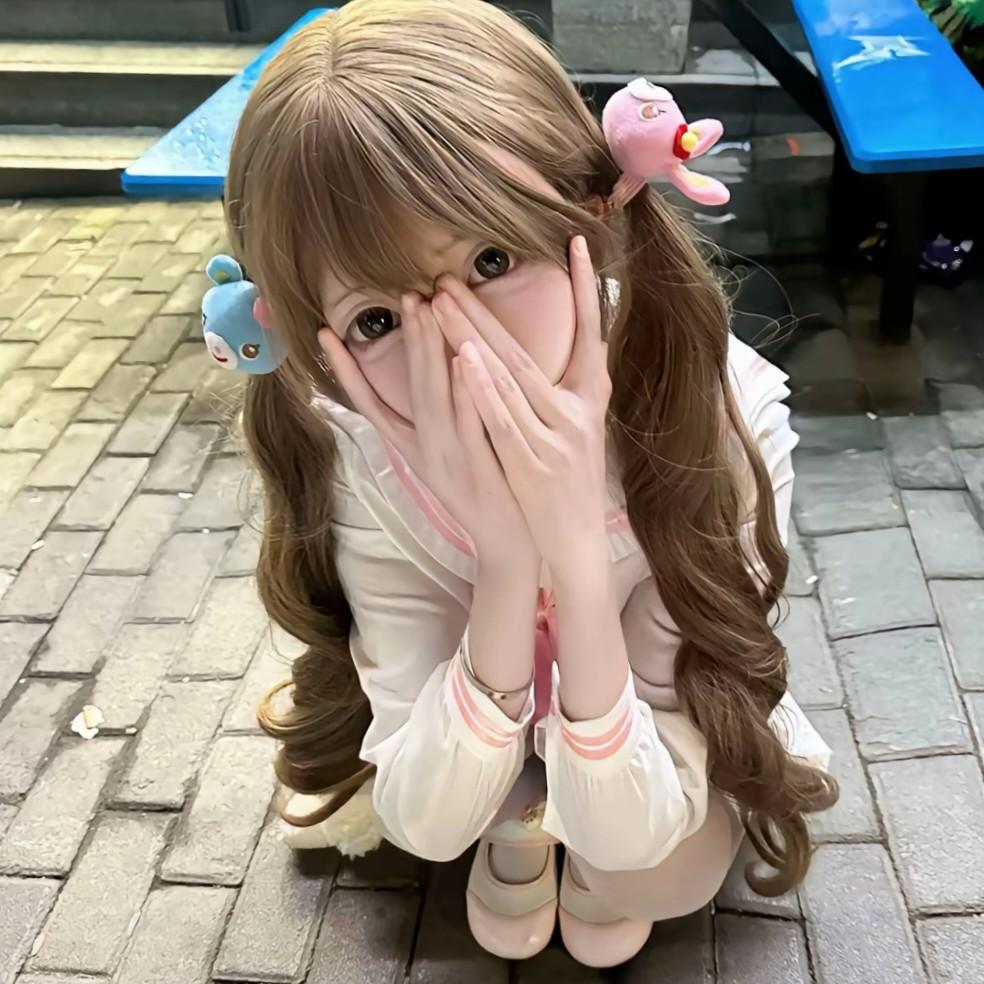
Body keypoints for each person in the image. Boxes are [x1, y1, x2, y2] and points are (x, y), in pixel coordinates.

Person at [214, 0, 838, 967]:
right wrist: (506, 562)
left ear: (589, 213)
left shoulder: (716, 415)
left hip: (641, 730)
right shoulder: (364, 457)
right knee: (463, 797)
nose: (461, 349)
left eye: (493, 260)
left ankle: (556, 813)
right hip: (478, 713)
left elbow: (642, 810)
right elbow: (425, 822)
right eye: (378, 319)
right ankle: (522, 816)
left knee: (652, 869)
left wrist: (578, 559)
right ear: (320, 348)